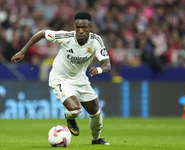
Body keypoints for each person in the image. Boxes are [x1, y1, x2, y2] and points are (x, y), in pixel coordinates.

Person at [10, 11, 111, 145]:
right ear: (74, 27)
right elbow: (41, 33)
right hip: (60, 78)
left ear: (90, 27)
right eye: (77, 27)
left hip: (80, 79)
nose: (81, 31)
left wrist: (98, 69)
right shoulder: (66, 37)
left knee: (96, 113)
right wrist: (22, 52)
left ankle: (96, 140)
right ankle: (70, 118)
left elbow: (107, 64)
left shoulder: (96, 41)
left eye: (84, 27)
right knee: (75, 110)